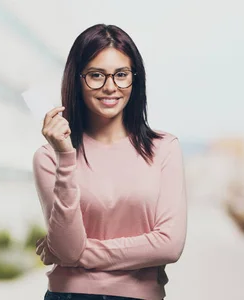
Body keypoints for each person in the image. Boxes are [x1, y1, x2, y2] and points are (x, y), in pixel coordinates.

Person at [32, 24, 187, 300]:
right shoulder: (49, 156)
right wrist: (66, 157)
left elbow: (169, 245)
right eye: (96, 75)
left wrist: (81, 253)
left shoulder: (164, 148)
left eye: (121, 75)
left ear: (134, 79)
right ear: (77, 79)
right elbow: (67, 250)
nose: (110, 87)